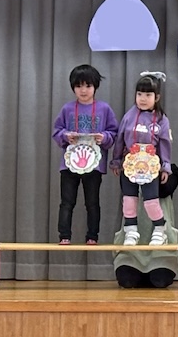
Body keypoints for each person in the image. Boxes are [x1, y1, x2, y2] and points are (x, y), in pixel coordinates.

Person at [52, 64, 119, 245]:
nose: (83, 90)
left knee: (92, 202)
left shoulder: (104, 109)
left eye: (88, 86)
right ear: (73, 87)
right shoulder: (67, 109)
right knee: (67, 201)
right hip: (70, 163)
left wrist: (104, 137)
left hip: (94, 164)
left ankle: (92, 236)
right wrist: (66, 136)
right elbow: (57, 131)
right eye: (79, 86)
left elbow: (114, 132)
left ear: (95, 87)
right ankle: (64, 236)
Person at [111, 71, 173, 246]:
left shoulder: (161, 120)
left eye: (148, 95)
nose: (143, 99)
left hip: (150, 167)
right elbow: (120, 139)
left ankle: (160, 229)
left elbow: (165, 144)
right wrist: (116, 161)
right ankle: (131, 231)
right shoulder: (128, 117)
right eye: (139, 94)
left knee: (151, 201)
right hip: (129, 165)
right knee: (129, 200)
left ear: (157, 97)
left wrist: (165, 166)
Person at [113, 164, 178, 288]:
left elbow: (164, 190)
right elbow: (127, 189)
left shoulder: (171, 170)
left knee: (160, 280)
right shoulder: (128, 168)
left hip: (161, 251)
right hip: (131, 250)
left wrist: (152, 168)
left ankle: (160, 264)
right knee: (127, 281)